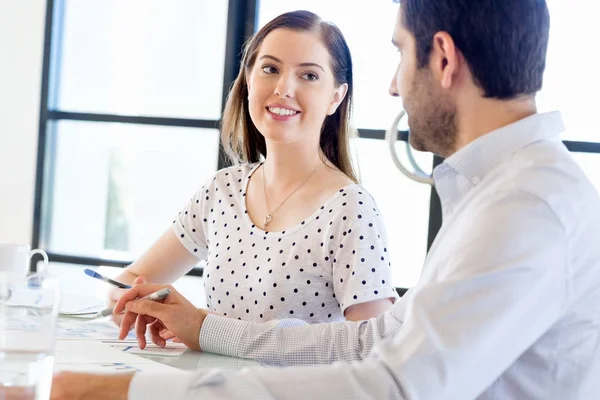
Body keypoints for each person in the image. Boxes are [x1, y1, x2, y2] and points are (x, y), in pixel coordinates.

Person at [51, 0, 600, 399]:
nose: (392, 87)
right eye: (268, 68)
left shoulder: (525, 205)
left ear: (443, 58)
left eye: (400, 54)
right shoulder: (503, 192)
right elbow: (376, 339)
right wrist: (205, 328)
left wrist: (127, 394)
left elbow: (393, 384)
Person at [106, 9, 398, 327]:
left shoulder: (351, 209)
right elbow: (130, 282)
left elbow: (373, 353)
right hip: (209, 379)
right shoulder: (222, 190)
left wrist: (205, 326)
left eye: (309, 75)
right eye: (270, 69)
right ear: (248, 80)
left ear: (335, 97)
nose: (284, 88)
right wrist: (138, 303)